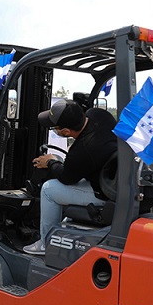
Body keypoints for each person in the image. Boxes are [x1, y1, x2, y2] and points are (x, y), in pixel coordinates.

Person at [23, 99, 117, 255]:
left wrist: (51, 162)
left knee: (48, 190)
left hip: (104, 192)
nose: (55, 131)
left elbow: (66, 178)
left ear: (66, 132)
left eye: (55, 128)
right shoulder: (99, 115)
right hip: (111, 177)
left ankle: (46, 243)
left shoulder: (83, 149)